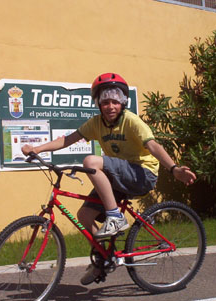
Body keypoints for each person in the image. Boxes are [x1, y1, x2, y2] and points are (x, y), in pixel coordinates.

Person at [21, 73, 196, 284]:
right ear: (98, 104)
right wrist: (36, 149)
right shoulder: (96, 124)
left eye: (115, 101)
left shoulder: (131, 121)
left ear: (123, 103)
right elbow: (68, 139)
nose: (110, 106)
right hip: (118, 176)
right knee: (84, 214)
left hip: (142, 174)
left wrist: (174, 169)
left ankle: (115, 217)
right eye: (105, 102)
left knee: (91, 162)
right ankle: (103, 260)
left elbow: (153, 146)